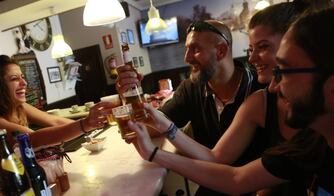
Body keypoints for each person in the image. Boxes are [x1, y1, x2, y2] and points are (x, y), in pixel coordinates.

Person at [128, 7, 334, 195]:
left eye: (284, 71)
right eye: (251, 49)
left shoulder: (262, 92)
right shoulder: (310, 143)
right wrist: (157, 140)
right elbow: (232, 174)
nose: (273, 87)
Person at [117, 19, 265, 196]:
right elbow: (151, 127)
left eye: (195, 49)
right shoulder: (191, 88)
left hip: (255, 186)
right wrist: (130, 96)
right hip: (211, 184)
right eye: (187, 49)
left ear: (221, 50)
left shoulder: (260, 87)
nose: (186, 58)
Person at [0, 55, 114, 147]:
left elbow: (55, 121)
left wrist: (93, 126)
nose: (24, 83)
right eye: (14, 79)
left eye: (22, 77)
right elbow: (33, 139)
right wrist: (85, 124)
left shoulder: (19, 106)